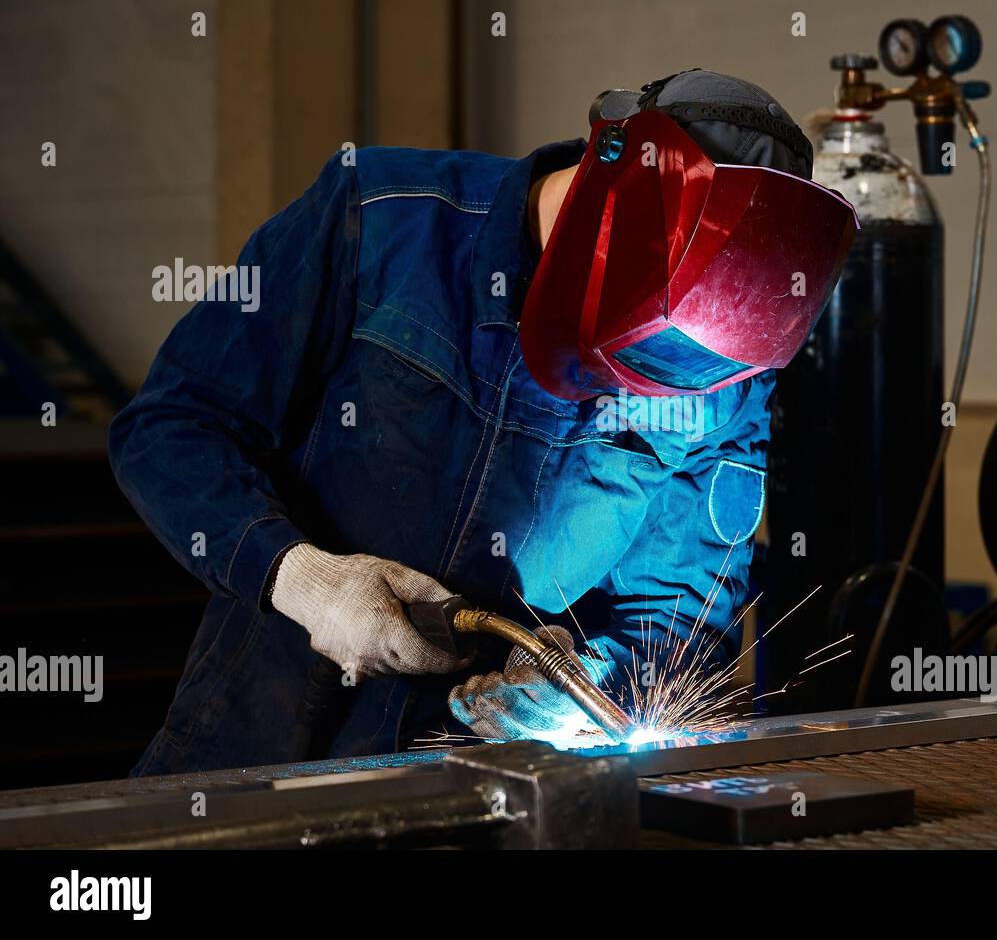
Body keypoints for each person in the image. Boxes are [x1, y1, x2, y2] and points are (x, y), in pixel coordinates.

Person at [108, 69, 856, 774]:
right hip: (255, 744)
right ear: (609, 195)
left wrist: (591, 679)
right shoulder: (377, 219)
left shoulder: (729, 360)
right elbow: (170, 426)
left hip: (491, 781)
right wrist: (300, 577)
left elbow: (679, 612)